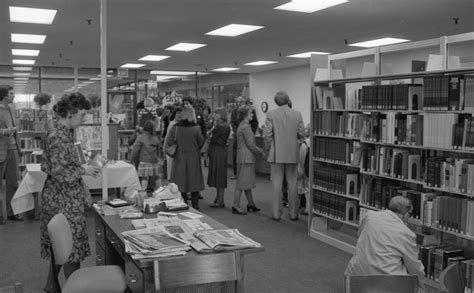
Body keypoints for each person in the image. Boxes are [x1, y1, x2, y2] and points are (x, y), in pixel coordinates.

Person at [39, 93, 101, 292]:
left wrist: (84, 164)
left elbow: (64, 163)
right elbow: (59, 172)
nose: (84, 120)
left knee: (61, 246)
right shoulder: (58, 135)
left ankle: (51, 286)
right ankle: (74, 288)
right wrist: (84, 170)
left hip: (63, 195)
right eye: (82, 115)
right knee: (70, 248)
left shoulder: (64, 132)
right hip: (62, 198)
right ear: (70, 113)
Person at [345, 196, 425, 291]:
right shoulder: (406, 233)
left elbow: (359, 235)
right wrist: (421, 285)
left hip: (355, 277)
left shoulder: (370, 216)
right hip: (384, 284)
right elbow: (413, 265)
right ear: (406, 214)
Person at [263, 90, 304, 221]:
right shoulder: (297, 114)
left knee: (277, 183)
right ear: (288, 100)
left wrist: (267, 149)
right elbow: (301, 133)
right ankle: (293, 213)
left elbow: (267, 136)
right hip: (292, 152)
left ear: (276, 102)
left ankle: (276, 213)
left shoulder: (271, 114)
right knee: (292, 184)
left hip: (276, 154)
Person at [166, 107, 204, 210]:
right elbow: (201, 142)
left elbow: (169, 142)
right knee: (194, 182)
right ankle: (196, 206)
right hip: (193, 157)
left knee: (181, 182)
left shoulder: (176, 128)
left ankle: (183, 203)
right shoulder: (196, 128)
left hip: (180, 156)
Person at [232, 105, 265, 215]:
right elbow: (251, 145)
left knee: (246, 183)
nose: (252, 115)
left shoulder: (242, 125)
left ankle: (251, 204)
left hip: (243, 157)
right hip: (246, 158)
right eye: (250, 113)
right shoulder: (246, 127)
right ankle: (236, 205)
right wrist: (261, 151)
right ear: (245, 114)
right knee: (241, 184)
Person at [0, 85, 22, 223]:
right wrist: (4, 132)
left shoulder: (11, 108)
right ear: (4, 95)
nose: (14, 95)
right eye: (11, 93)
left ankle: (11, 212)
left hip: (13, 148)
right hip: (1, 149)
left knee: (13, 183)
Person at [130, 120, 162, 194]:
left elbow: (135, 150)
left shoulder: (141, 137)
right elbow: (159, 149)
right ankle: (160, 191)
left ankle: (143, 192)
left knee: (144, 177)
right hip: (154, 161)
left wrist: (131, 159)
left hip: (144, 161)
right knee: (156, 176)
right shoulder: (155, 138)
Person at [207, 108, 231, 208]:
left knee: (219, 176)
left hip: (218, 152)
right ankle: (218, 198)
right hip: (218, 151)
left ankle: (220, 199)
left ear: (221, 115)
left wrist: (212, 129)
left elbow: (210, 137)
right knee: (218, 176)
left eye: (216, 113)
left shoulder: (222, 127)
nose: (214, 115)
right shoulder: (222, 126)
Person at [163, 106, 182, 181]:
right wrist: (165, 148)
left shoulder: (175, 123)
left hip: (174, 150)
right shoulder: (173, 124)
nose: (179, 115)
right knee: (171, 171)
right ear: (175, 114)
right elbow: (167, 138)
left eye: (181, 113)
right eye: (178, 113)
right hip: (172, 150)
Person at [230, 96, 245, 179]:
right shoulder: (234, 112)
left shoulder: (248, 111)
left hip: (245, 136)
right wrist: (237, 132)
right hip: (237, 136)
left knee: (244, 155)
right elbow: (232, 123)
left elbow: (255, 124)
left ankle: (243, 173)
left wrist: (250, 132)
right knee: (235, 155)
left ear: (243, 103)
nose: (239, 104)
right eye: (238, 102)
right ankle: (236, 173)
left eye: (240, 102)